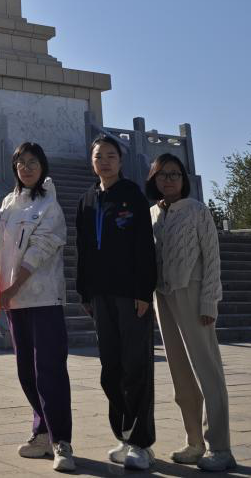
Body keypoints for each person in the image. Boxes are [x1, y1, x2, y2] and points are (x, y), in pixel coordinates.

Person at [147, 153, 235, 473]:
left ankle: (220, 446)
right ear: (153, 179)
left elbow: (212, 258)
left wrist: (210, 301)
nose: (169, 179)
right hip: (163, 296)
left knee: (207, 371)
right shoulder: (152, 213)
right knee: (179, 372)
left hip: (194, 293)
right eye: (162, 174)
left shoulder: (198, 211)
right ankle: (194, 441)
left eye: (175, 174)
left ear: (184, 179)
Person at [75, 134, 157, 471]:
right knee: (111, 368)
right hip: (100, 294)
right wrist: (84, 291)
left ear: (121, 161)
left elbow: (144, 245)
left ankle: (141, 442)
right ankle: (123, 436)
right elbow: (82, 248)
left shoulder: (132, 195)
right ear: (92, 161)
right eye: (99, 156)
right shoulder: (87, 200)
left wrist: (143, 291)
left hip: (129, 293)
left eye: (111, 156)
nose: (105, 161)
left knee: (136, 365)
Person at [0, 142, 75, 472]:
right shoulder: (9, 203)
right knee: (26, 370)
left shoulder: (49, 205)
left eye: (33, 162)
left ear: (43, 166)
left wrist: (14, 286)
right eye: (21, 163)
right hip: (15, 301)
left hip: (43, 298)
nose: (26, 168)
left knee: (49, 370)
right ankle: (41, 433)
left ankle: (61, 441)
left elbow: (40, 249)